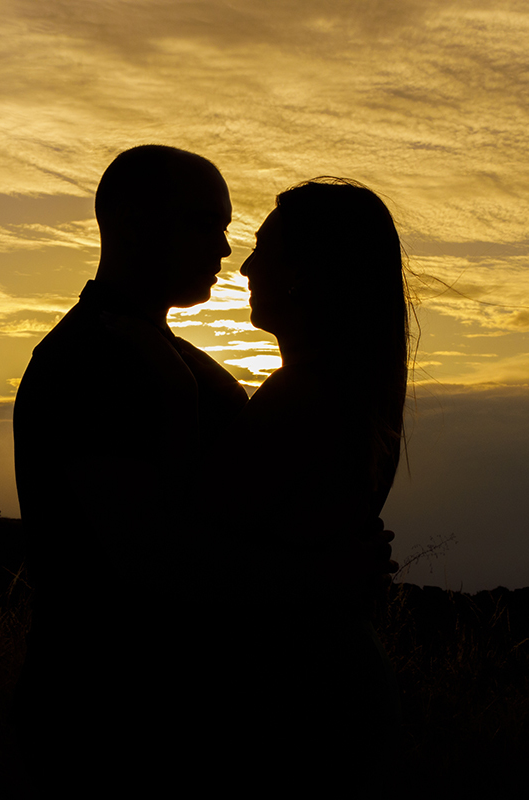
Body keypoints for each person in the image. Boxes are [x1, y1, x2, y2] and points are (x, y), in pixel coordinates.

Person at [11, 145, 248, 795]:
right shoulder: (95, 362)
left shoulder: (148, 350)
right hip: (111, 723)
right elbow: (153, 562)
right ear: (139, 223)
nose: (225, 250)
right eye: (207, 224)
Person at [229, 177, 408, 782]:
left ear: (308, 272)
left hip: (299, 699)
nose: (246, 265)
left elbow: (205, 555)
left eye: (264, 249)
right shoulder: (346, 392)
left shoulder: (302, 398)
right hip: (330, 682)